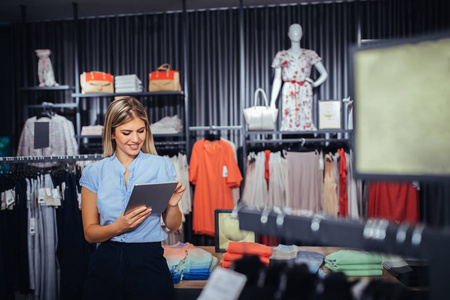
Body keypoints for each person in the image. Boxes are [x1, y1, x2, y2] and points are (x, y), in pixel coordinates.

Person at [80, 96, 186, 300]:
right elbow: (89, 233)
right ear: (112, 133)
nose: (136, 139)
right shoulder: (94, 172)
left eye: (141, 131)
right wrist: (118, 227)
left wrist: (173, 205)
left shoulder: (161, 165)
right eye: (126, 133)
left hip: (149, 262)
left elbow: (172, 226)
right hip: (106, 264)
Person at [271, 23, 328, 131]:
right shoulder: (281, 55)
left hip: (304, 90)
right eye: (293, 31)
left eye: (298, 30)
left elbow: (324, 73)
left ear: (302, 34)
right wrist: (272, 102)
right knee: (289, 121)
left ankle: (306, 143)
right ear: (288, 34)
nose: (295, 33)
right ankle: (289, 144)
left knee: (305, 119)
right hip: (289, 90)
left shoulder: (309, 54)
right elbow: (277, 79)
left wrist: (314, 84)